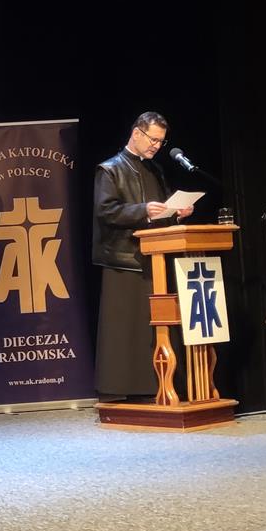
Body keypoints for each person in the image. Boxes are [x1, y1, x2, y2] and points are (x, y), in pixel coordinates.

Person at [92, 112, 193, 400]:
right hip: (124, 260)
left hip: (154, 258)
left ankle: (155, 386)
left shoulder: (155, 170)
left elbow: (160, 212)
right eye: (153, 139)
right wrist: (142, 211)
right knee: (126, 329)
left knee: (153, 327)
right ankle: (120, 389)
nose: (156, 146)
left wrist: (177, 213)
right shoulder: (109, 169)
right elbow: (106, 211)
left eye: (161, 142)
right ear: (136, 133)